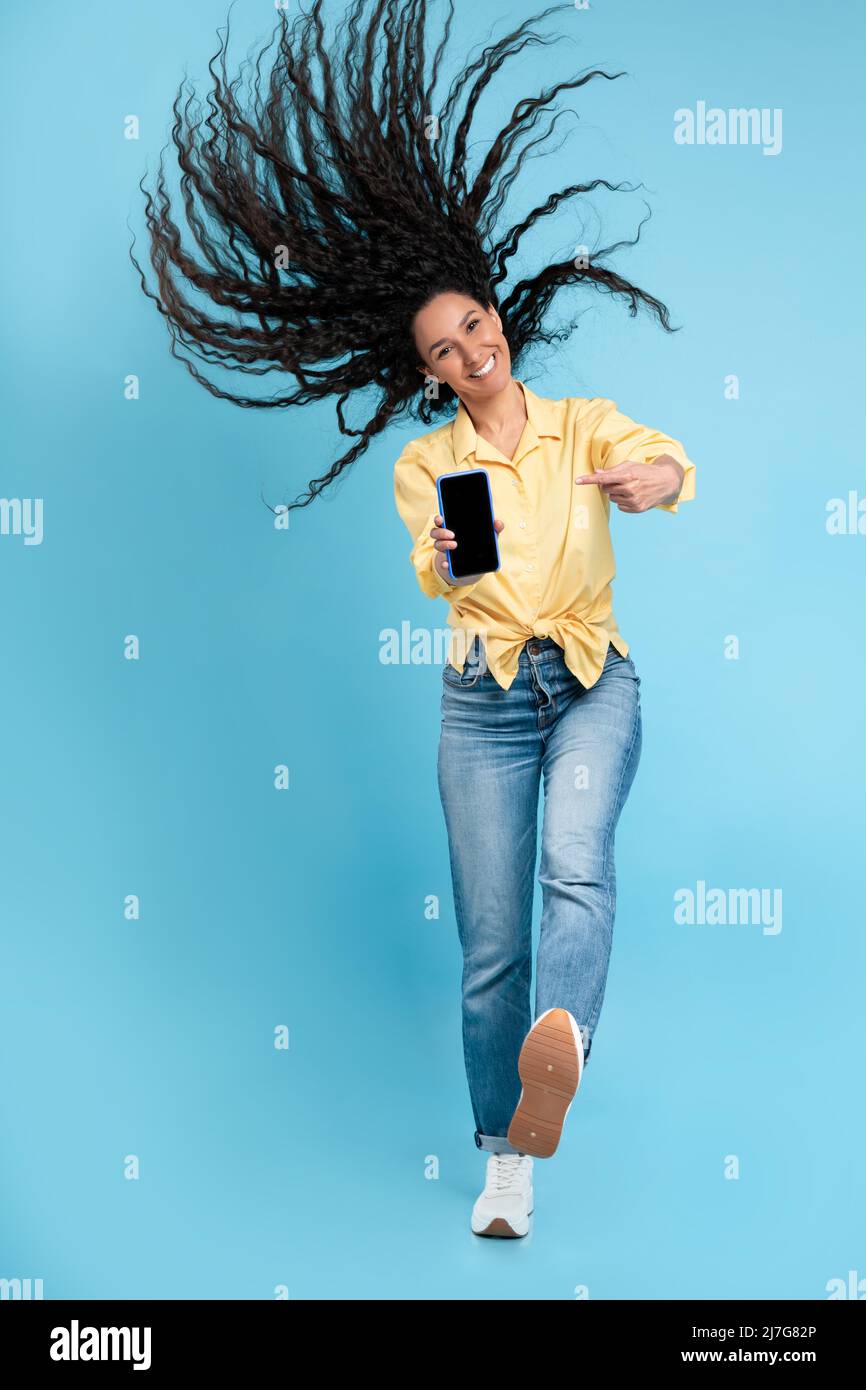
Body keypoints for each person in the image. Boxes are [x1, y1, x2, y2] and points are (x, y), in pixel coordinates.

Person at [131, 0, 695, 1238]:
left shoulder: (586, 424)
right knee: (490, 940)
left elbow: (660, 462)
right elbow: (450, 578)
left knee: (577, 868)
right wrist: (446, 557)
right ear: (428, 371)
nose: (469, 349)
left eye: (475, 325)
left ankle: (561, 1056)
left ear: (499, 317)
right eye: (443, 349)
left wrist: (656, 481)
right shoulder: (427, 467)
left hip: (594, 679)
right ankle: (507, 1156)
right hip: (483, 703)